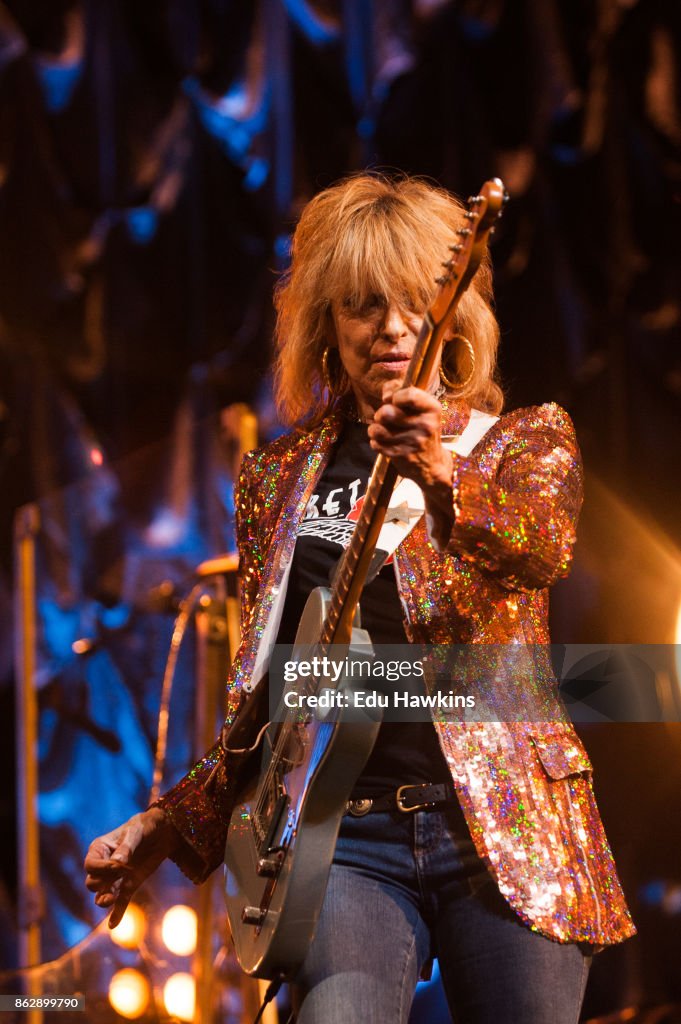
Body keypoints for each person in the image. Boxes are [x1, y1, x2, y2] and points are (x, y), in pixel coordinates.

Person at [85, 173, 635, 1023]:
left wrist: (443, 475)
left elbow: (535, 551)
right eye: (362, 305)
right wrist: (165, 824)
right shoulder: (276, 477)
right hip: (342, 841)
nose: (391, 328)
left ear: (451, 316)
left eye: (414, 301)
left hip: (507, 828)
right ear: (323, 324)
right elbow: (273, 690)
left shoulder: (523, 442)